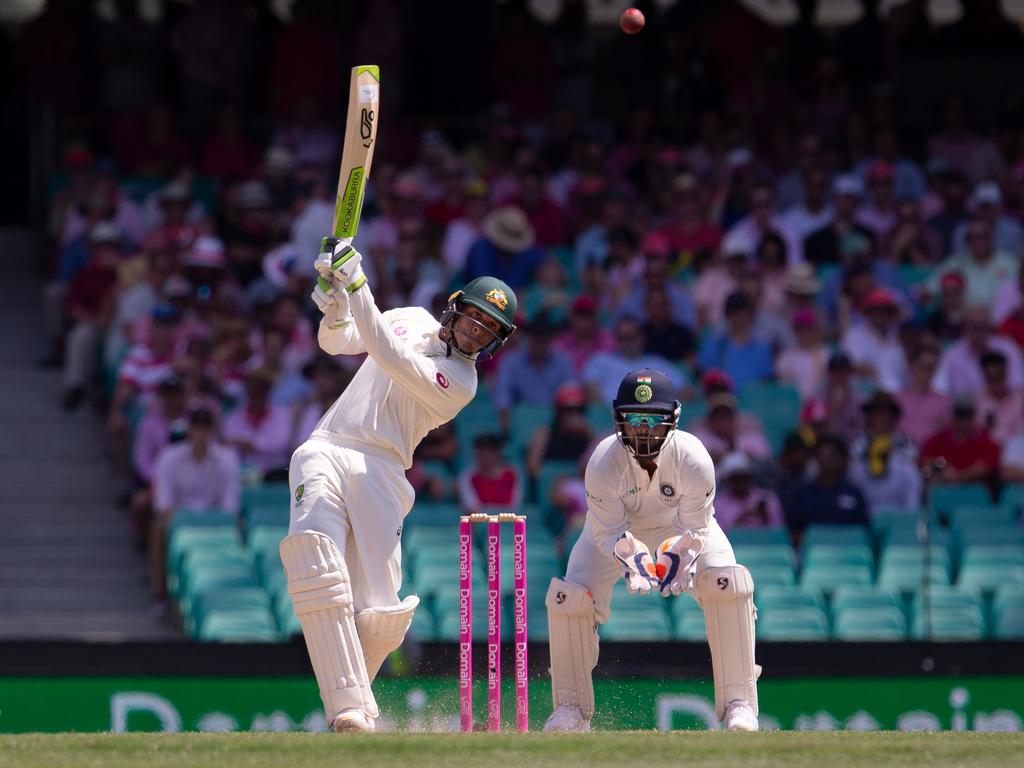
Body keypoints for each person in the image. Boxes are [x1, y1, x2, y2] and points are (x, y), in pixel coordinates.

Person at [282, 237, 517, 732]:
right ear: (456, 307)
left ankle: (352, 708)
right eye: (474, 317)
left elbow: (391, 359)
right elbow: (341, 341)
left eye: (488, 330)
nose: (475, 332)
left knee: (383, 616)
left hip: (382, 470)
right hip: (326, 445)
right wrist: (336, 304)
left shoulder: (461, 382)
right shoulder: (409, 315)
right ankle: (349, 708)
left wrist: (358, 282)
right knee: (313, 555)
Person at [544, 368, 760, 733]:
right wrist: (631, 556)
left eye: (653, 420)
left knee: (727, 582)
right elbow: (605, 531)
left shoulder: (693, 457)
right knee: (570, 597)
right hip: (613, 534)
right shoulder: (602, 461)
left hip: (681, 528)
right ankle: (570, 709)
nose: (643, 429)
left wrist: (680, 555)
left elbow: (697, 528)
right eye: (634, 419)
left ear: (672, 419)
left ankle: (741, 704)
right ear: (619, 420)